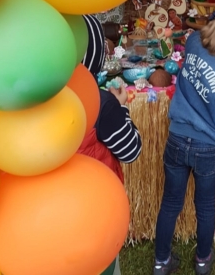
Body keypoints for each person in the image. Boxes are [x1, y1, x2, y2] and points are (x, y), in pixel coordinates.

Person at [153, 9, 215, 275]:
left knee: (170, 202)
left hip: (177, 136)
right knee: (205, 204)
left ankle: (161, 262)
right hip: (207, 148)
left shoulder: (195, 43)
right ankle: (202, 260)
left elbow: (197, 35)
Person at [80, 14, 143, 275]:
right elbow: (130, 150)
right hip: (93, 208)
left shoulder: (23, 106)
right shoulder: (101, 103)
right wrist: (122, 107)